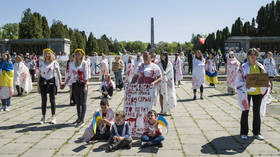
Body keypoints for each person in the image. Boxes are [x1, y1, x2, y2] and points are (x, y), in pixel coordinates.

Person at [236, 48, 270, 140]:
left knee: (256, 112)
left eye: (255, 54)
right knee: (245, 111)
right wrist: (244, 85)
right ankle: (243, 132)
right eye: (251, 54)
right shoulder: (243, 67)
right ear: (248, 56)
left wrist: (266, 84)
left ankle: (256, 132)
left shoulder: (260, 67)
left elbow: (264, 79)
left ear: (257, 56)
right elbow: (238, 80)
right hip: (246, 92)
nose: (253, 56)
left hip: (258, 92)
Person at [63, 49, 89, 127]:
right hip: (75, 84)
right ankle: (78, 117)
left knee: (83, 102)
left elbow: (86, 75)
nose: (77, 55)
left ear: (82, 55)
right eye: (76, 54)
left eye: (79, 54)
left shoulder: (84, 63)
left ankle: (82, 119)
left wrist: (85, 85)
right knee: (77, 102)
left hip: (82, 84)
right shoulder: (71, 64)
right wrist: (65, 83)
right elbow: (70, 75)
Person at [37, 48, 62, 124]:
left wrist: (61, 82)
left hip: (51, 82)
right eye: (45, 53)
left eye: (48, 53)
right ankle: (43, 117)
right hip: (43, 82)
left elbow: (58, 73)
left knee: (52, 100)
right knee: (43, 100)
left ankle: (53, 117)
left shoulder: (54, 63)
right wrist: (38, 85)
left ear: (51, 54)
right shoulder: (41, 63)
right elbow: (39, 74)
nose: (47, 55)